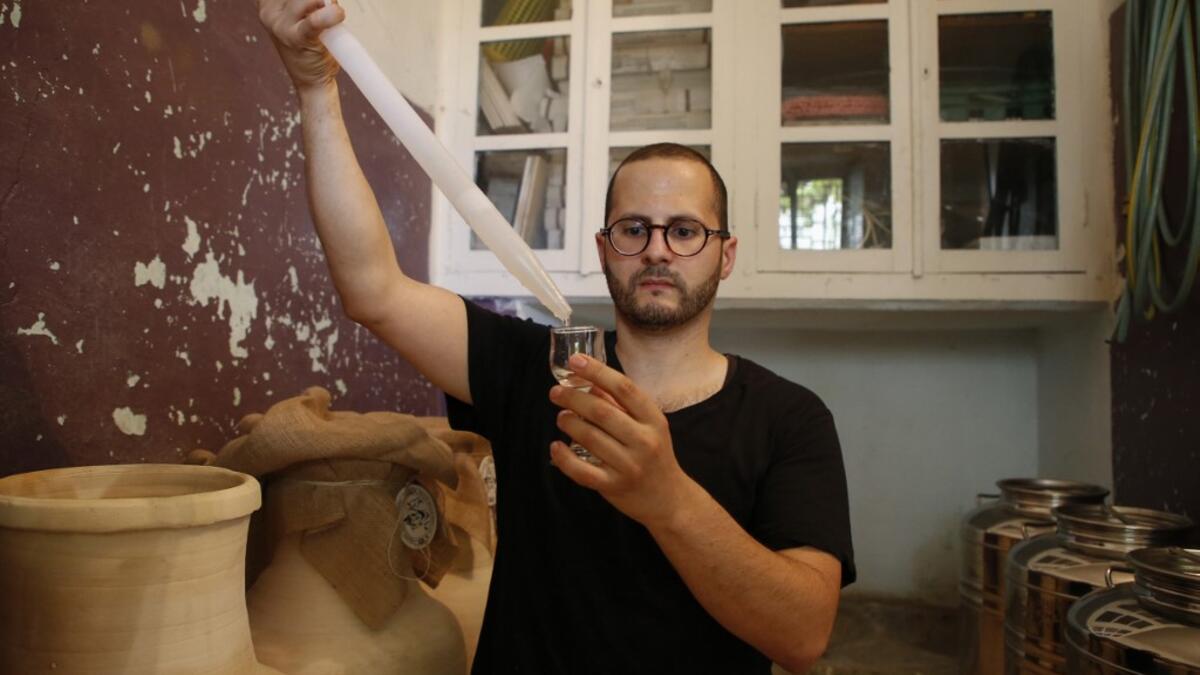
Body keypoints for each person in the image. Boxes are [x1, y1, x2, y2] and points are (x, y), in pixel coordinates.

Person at [256, 1, 855, 673]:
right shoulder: (535, 367)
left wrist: (668, 499)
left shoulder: (790, 419)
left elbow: (803, 635)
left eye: (685, 230)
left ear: (726, 253)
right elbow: (372, 289)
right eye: (634, 229)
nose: (657, 250)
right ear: (604, 249)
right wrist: (314, 86)